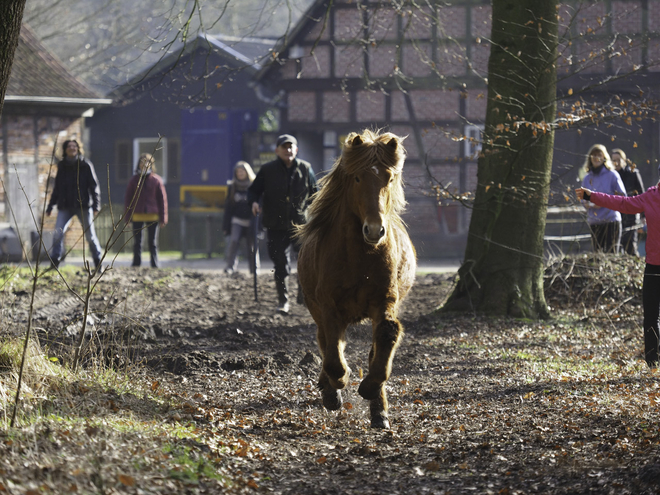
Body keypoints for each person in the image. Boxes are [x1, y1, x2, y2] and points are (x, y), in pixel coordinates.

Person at [576, 185, 660, 368]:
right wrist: (592, 196)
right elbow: (622, 203)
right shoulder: (651, 196)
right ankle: (653, 362)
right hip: (654, 265)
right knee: (651, 316)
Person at [248, 134, 318, 313]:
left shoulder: (306, 168)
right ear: (277, 150)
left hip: (300, 225)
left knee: (306, 261)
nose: (288, 150)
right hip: (275, 224)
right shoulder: (267, 170)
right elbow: (253, 192)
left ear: (296, 150)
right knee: (280, 263)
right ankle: (283, 300)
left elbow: (315, 194)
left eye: (291, 147)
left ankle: (303, 292)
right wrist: (254, 202)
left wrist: (315, 213)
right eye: (284, 147)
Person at [46, 139, 103, 270]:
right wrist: (50, 206)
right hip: (65, 206)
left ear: (78, 149)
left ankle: (98, 262)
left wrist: (96, 206)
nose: (72, 148)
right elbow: (57, 188)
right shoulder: (62, 166)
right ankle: (54, 264)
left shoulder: (85, 165)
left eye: (74, 146)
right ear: (65, 150)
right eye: (69, 146)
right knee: (57, 234)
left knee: (90, 236)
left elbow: (94, 187)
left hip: (83, 206)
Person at [580, 144, 626, 253]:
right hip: (594, 221)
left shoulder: (612, 175)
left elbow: (622, 196)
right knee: (598, 255)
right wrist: (587, 204)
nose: (596, 158)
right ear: (590, 158)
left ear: (604, 157)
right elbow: (582, 199)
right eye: (594, 155)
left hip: (611, 220)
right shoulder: (587, 178)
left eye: (599, 155)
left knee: (611, 253)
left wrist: (605, 203)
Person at [124, 153, 168, 268]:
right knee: (137, 242)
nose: (144, 164)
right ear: (138, 164)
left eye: (147, 162)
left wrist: (163, 218)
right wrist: (127, 218)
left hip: (153, 215)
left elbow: (162, 200)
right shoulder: (133, 180)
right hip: (137, 214)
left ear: (151, 164)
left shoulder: (156, 180)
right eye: (142, 162)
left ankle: (155, 263)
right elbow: (128, 200)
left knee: (152, 242)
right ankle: (136, 263)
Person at [223, 161, 258, 274]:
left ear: (247, 172)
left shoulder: (254, 186)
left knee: (251, 245)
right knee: (233, 241)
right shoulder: (232, 187)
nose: (240, 173)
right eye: (238, 171)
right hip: (237, 220)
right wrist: (225, 225)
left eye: (242, 171)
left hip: (251, 221)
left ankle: (254, 269)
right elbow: (228, 207)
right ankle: (230, 266)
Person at [611, 148, 645, 256]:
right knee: (615, 246)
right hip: (614, 216)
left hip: (630, 216)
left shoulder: (633, 174)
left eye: (618, 159)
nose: (616, 162)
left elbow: (641, 194)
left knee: (630, 247)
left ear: (624, 160)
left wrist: (644, 215)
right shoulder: (610, 176)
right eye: (613, 160)